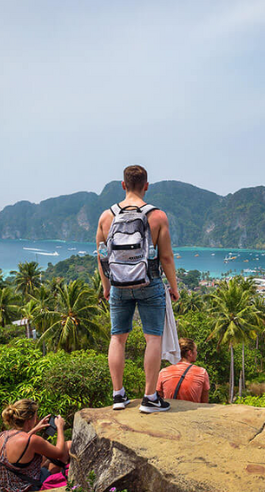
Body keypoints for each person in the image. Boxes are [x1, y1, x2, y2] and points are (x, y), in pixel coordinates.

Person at [96, 165, 180, 413]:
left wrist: (106, 286)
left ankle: (118, 395)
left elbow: (101, 256)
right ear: (146, 186)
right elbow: (166, 258)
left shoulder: (105, 217)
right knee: (152, 337)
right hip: (149, 281)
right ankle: (150, 397)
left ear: (123, 185)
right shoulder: (157, 216)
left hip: (119, 285)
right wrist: (173, 287)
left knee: (117, 337)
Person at [0, 399, 71, 492]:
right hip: (28, 487)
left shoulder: (2, 435)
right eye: (35, 415)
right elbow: (59, 453)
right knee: (68, 445)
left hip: (8, 488)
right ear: (30, 418)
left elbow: (20, 442)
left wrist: (35, 428)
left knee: (44, 457)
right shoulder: (32, 440)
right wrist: (59, 427)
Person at [156, 338, 210, 403]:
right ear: (189, 353)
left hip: (171, 410)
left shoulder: (163, 372)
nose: (196, 353)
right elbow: (204, 402)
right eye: (195, 350)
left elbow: (159, 398)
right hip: (193, 411)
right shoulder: (202, 372)